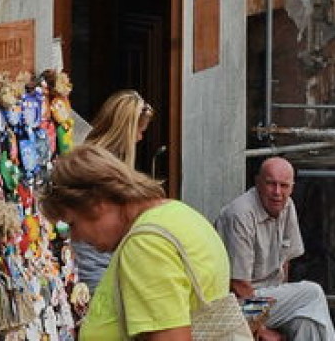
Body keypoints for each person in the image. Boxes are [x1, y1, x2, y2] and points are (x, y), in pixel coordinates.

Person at [40, 143, 233, 341]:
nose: (76, 238)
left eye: (72, 224)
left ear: (97, 203)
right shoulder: (179, 215)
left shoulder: (145, 244)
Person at [214, 157, 335, 341]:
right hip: (237, 306)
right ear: (257, 183)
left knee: (307, 322)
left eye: (284, 185)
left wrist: (287, 305)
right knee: (313, 293)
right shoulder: (240, 215)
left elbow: (285, 264)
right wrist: (260, 328)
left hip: (269, 301)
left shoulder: (287, 207)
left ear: (292, 187)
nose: (277, 192)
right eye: (271, 184)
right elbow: (238, 285)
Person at [74, 91, 157, 291]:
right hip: (97, 266)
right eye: (140, 131)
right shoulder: (105, 169)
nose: (140, 137)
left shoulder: (87, 155)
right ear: (126, 130)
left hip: (94, 261)